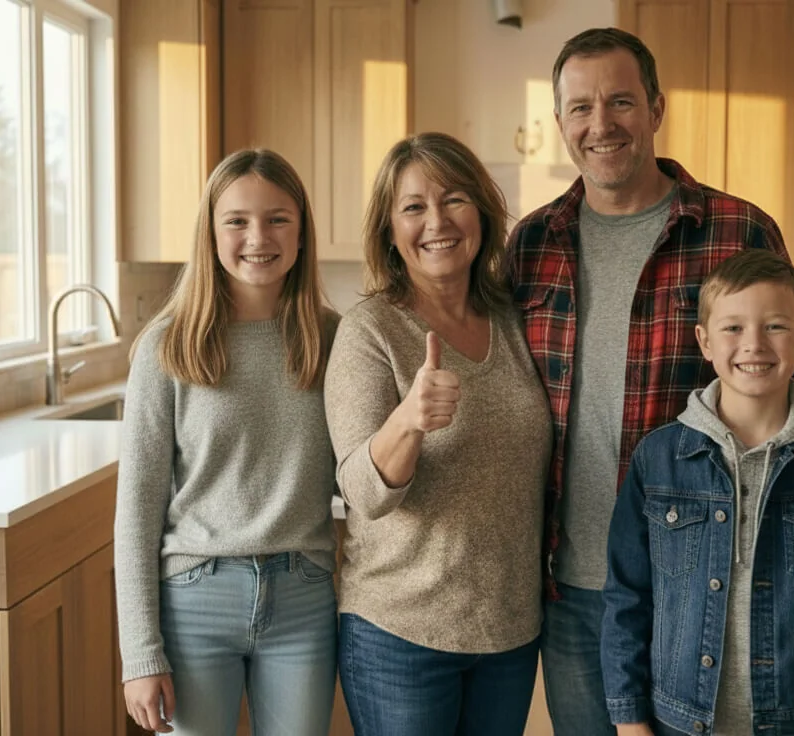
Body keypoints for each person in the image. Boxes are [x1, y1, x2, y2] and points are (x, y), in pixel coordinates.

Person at [506, 27, 794, 735]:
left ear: (656, 107)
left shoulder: (735, 228)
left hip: (698, 580)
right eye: (581, 107)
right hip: (572, 583)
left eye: (621, 101)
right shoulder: (531, 243)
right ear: (559, 121)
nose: (601, 123)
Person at [601, 249, 794, 736]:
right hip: (677, 721)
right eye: (733, 328)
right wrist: (630, 722)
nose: (753, 344)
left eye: (775, 326)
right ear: (704, 341)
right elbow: (627, 598)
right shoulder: (658, 459)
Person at [324, 132, 552, 735]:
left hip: (507, 631)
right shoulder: (370, 330)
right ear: (389, 231)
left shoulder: (514, 319)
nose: (437, 222)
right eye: (413, 207)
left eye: (453, 199)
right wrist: (409, 419)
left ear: (481, 211)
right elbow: (363, 493)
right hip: (400, 633)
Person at [114, 148, 340, 735]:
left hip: (303, 596)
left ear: (301, 233)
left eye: (277, 219)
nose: (258, 237)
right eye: (236, 220)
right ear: (210, 233)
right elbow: (136, 510)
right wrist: (140, 653)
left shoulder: (334, 339)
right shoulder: (167, 346)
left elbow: (360, 471)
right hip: (194, 600)